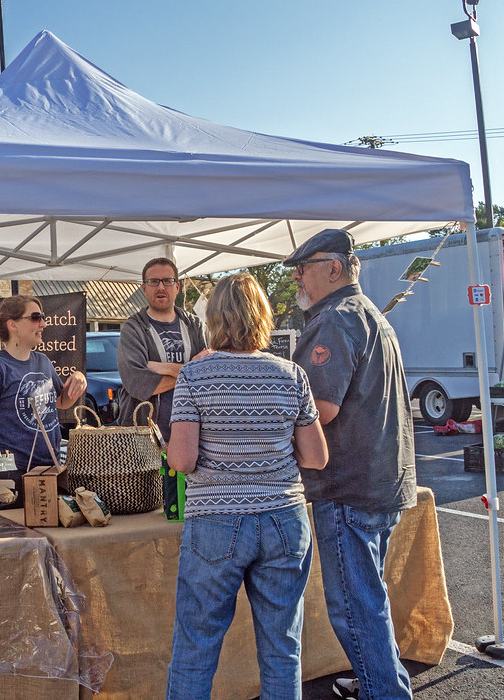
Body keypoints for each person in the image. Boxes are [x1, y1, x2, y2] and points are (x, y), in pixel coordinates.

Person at [165, 273, 327, 699]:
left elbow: (182, 460)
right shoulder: (291, 375)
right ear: (262, 316)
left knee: (195, 648)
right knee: (282, 649)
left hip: (215, 520)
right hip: (284, 520)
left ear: (214, 318)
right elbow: (316, 458)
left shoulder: (195, 376)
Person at [284, 229, 417, 700]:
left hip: (349, 487)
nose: (297, 277)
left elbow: (318, 408)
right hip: (381, 480)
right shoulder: (369, 314)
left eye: (303, 267)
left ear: (334, 267)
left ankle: (385, 692)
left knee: (357, 608)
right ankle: (380, 681)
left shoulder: (335, 319)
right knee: (368, 599)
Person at [0, 295, 87, 488]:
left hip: (48, 470)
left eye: (43, 317)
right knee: (8, 520)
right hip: (9, 474)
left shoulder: (43, 361)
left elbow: (61, 402)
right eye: (36, 317)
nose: (43, 324)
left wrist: (78, 378)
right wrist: (3, 439)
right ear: (13, 325)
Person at [117, 257, 208, 442]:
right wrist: (191, 369)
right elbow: (137, 383)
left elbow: (207, 376)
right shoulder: (133, 328)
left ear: (177, 287)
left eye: (167, 281)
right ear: (144, 288)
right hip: (143, 439)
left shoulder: (195, 325)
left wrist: (165, 368)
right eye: (153, 281)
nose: (161, 287)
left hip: (190, 436)